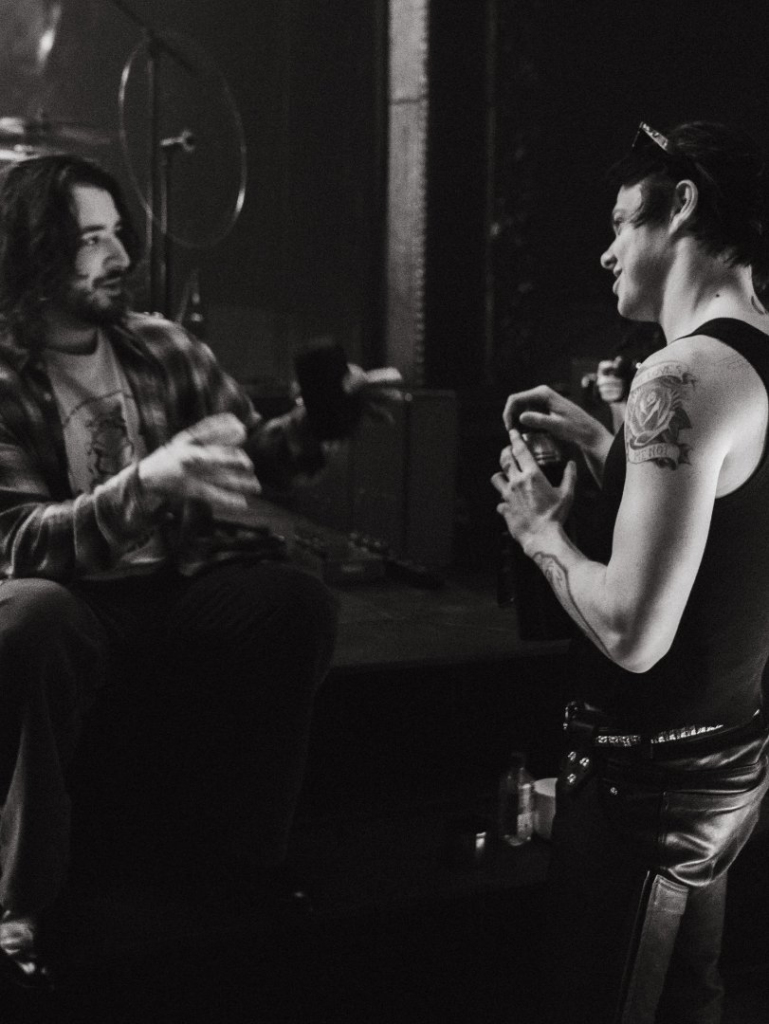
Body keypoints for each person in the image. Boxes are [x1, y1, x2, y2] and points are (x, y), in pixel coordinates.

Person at [0, 153, 400, 991]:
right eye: (90, 240)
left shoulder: (160, 345)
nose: (119, 256)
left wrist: (317, 422)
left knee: (288, 600)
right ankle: (22, 900)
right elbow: (19, 544)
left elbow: (251, 458)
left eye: (118, 234)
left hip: (168, 584)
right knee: (33, 615)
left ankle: (245, 861)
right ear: (31, 250)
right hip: (67, 599)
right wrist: (147, 482)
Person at [492, 120, 769, 1024]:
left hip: (642, 789)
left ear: (680, 206)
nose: (607, 252)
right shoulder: (750, 362)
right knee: (690, 1001)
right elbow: (723, 522)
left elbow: (632, 631)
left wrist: (540, 531)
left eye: (620, 222)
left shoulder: (679, 375)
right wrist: (602, 441)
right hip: (724, 767)